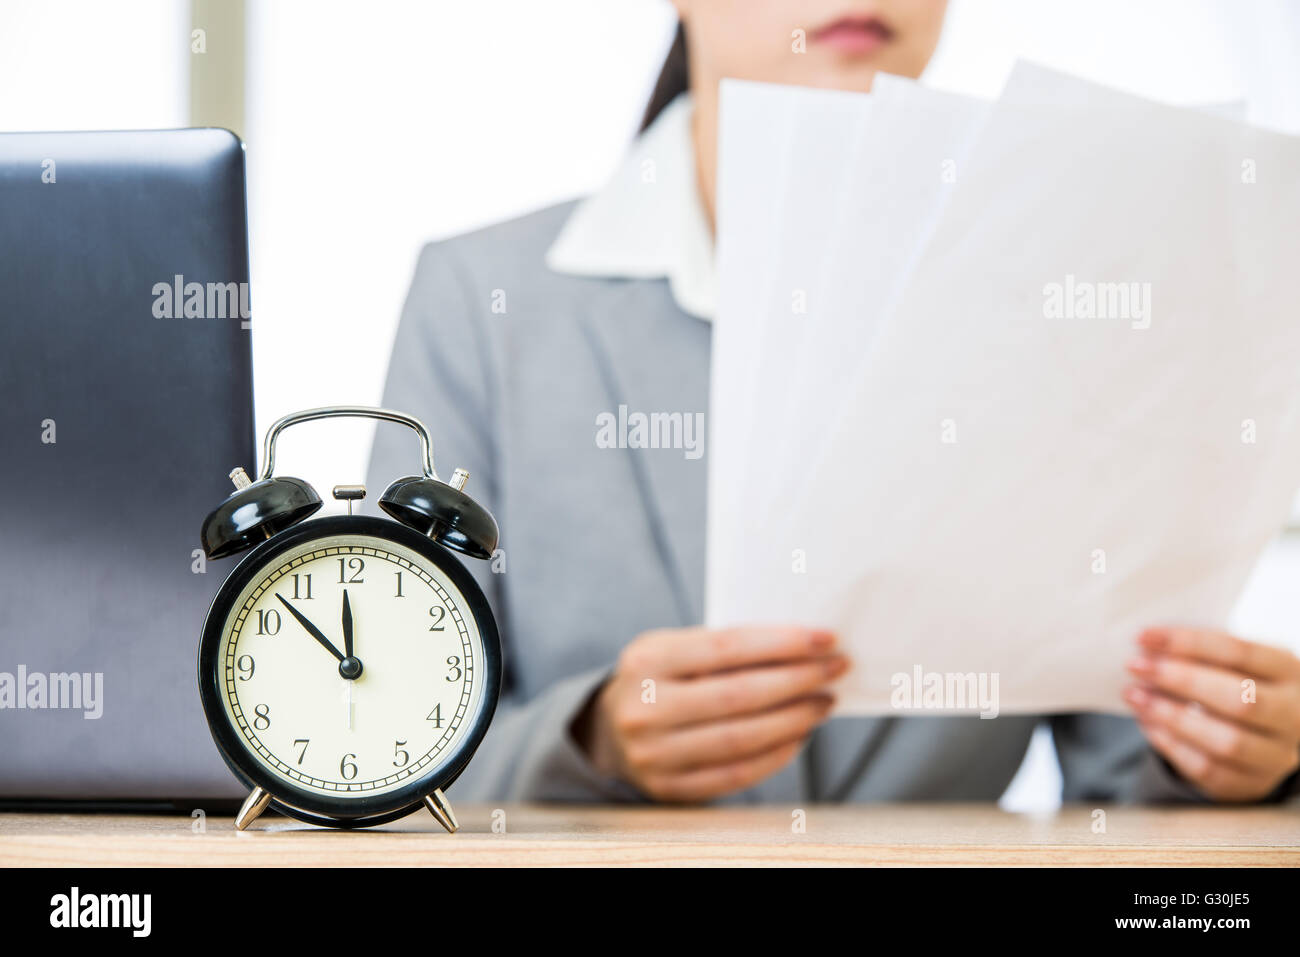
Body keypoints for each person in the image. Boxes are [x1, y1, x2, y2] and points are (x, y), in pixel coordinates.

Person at [369, 0, 1300, 805]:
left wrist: (1233, 750)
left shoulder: (1071, 301)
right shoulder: (482, 305)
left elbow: (1120, 771)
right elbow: (371, 740)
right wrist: (591, 741)